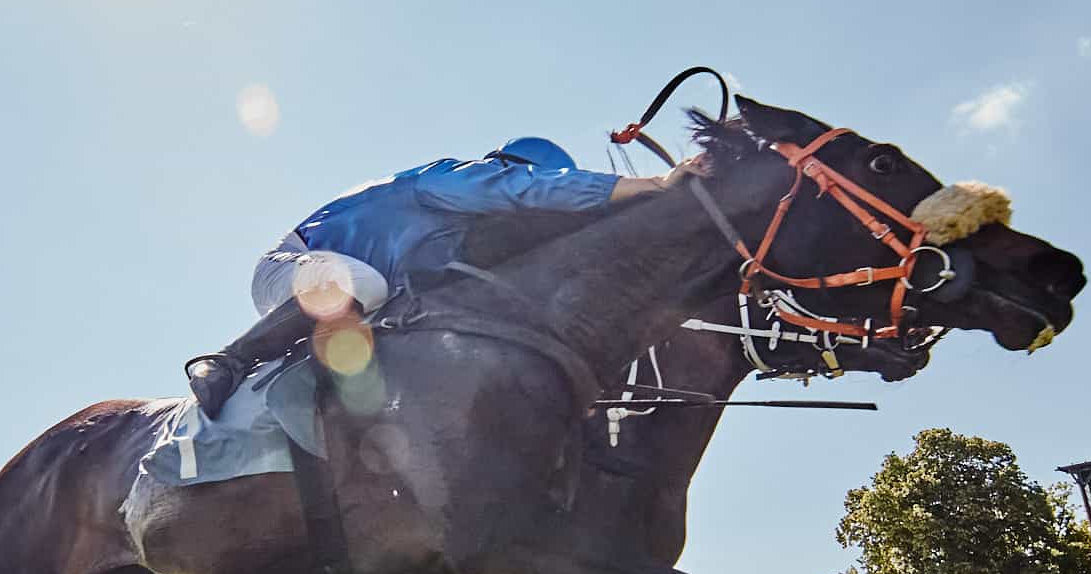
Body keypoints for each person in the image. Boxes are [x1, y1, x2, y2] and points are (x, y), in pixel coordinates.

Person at [182, 138, 702, 415]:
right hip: (292, 267)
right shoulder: (453, 179)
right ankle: (228, 362)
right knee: (364, 285)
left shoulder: (461, 237)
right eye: (528, 179)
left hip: (353, 300)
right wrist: (652, 185)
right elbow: (525, 191)